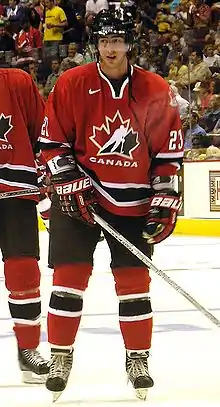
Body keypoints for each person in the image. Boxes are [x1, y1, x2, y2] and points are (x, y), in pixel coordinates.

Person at [39, 7, 183, 401]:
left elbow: (167, 156)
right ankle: (60, 356)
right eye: (104, 41)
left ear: (130, 44)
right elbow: (52, 144)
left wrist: (165, 199)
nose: (111, 48)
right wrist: (69, 183)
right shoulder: (70, 84)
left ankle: (137, 358)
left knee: (135, 288)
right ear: (95, 44)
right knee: (67, 283)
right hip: (79, 203)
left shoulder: (156, 89)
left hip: (132, 205)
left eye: (117, 41)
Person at [0, 68, 49, 383]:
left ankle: (28, 349)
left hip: (16, 191)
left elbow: (43, 133)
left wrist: (47, 180)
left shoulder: (16, 82)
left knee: (23, 271)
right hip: (17, 190)